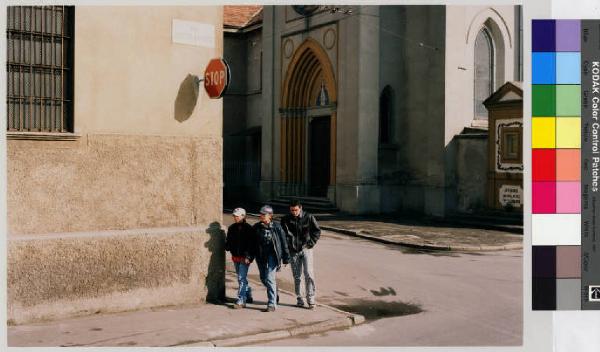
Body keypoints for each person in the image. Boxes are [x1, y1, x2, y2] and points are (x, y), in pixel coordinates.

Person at [281, 199, 321, 309]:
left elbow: (317, 231)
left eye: (296, 210)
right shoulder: (285, 219)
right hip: (293, 251)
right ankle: (300, 298)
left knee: (309, 273)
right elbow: (283, 235)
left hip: (306, 249)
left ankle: (311, 298)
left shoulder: (309, 217)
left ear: (300, 208)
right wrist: (287, 248)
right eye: (292, 210)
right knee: (297, 276)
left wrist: (311, 243)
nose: (294, 212)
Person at [251, 205, 290, 312]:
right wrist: (249, 256)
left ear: (270, 216)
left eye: (264, 214)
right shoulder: (256, 227)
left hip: (272, 256)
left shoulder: (277, 227)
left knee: (269, 278)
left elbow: (283, 242)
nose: (262, 216)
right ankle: (274, 291)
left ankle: (271, 304)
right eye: (261, 214)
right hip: (260, 256)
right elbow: (252, 244)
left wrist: (286, 257)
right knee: (264, 278)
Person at [225, 208, 255, 309]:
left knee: (241, 278)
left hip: (245, 257)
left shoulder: (249, 229)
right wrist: (227, 246)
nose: (235, 218)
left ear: (243, 216)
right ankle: (248, 292)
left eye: (237, 216)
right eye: (234, 216)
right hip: (235, 257)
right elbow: (228, 241)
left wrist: (248, 256)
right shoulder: (231, 228)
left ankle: (241, 300)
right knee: (241, 277)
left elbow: (251, 245)